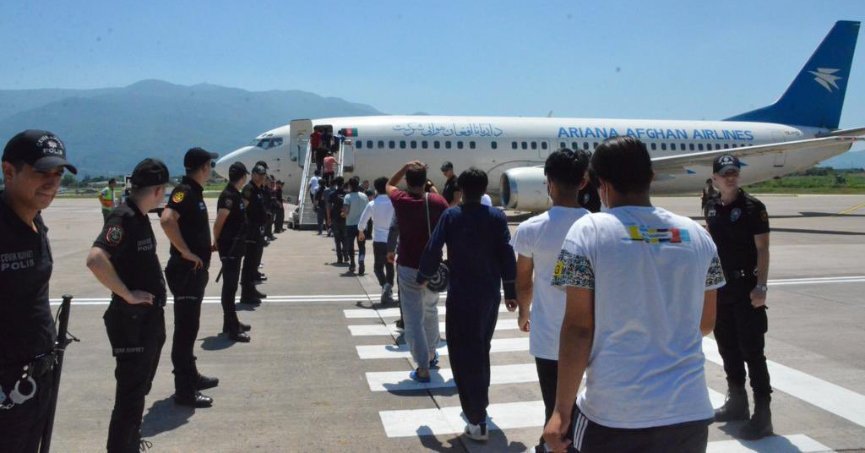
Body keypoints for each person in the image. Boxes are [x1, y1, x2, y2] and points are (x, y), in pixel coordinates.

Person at [544, 137, 723, 453]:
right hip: (688, 412)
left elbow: (578, 328)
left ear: (601, 184)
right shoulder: (697, 235)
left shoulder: (588, 232)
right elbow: (706, 323)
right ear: (651, 177)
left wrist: (561, 410)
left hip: (615, 412)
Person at [418, 167, 517, 442]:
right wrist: (511, 290)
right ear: (484, 189)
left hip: (462, 295)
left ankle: (476, 417)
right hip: (489, 295)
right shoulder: (497, 217)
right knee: (480, 349)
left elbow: (433, 248)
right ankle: (478, 408)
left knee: (462, 354)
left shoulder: (451, 216)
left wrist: (423, 276)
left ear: (460, 189)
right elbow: (506, 254)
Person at [0, 130, 77, 453]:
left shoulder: (35, 222)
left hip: (35, 380)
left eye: (58, 173)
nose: (52, 182)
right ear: (9, 171)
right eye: (42, 172)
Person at [510, 149, 591, 452]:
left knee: (554, 403)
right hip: (592, 332)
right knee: (586, 403)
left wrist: (523, 313)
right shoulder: (597, 226)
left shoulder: (531, 229)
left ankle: (553, 444)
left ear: (549, 183)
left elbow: (523, 281)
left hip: (549, 332)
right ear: (583, 182)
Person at [86, 158, 167, 452]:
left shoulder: (139, 216)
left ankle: (129, 441)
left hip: (146, 321)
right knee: (130, 395)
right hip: (132, 322)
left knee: (137, 391)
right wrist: (127, 294)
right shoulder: (123, 217)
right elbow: (96, 259)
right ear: (157, 190)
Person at [704, 154, 773, 440]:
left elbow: (763, 249)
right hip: (722, 289)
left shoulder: (753, 208)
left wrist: (761, 286)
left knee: (752, 352)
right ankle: (737, 402)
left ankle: (763, 414)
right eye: (725, 173)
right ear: (715, 179)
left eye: (734, 172)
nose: (731, 177)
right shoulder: (710, 207)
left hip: (746, 288)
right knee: (727, 348)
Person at [160, 147, 220, 408]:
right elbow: (167, 220)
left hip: (194, 272)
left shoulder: (194, 192)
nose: (212, 170)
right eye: (210, 165)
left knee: (190, 328)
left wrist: (204, 246)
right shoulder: (184, 192)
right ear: (203, 167)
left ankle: (191, 376)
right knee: (185, 331)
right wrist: (185, 251)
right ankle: (184, 390)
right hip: (185, 272)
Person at [386, 161, 449, 383]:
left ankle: (422, 366)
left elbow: (389, 185)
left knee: (413, 319)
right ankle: (431, 354)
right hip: (432, 268)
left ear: (407, 180)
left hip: (408, 267)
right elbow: (447, 214)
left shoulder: (400, 200)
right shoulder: (437, 201)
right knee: (430, 310)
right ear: (425, 181)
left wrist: (404, 167)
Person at [213, 162, 252, 343]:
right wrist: (217, 243)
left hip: (235, 247)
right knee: (229, 289)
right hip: (230, 248)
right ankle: (232, 329)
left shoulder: (234, 194)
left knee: (231, 287)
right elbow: (219, 222)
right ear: (242, 177)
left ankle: (230, 322)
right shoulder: (228, 196)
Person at [358, 177, 395, 303]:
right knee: (389, 266)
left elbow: (362, 221)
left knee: (378, 267)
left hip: (379, 241)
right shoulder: (394, 203)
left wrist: (361, 231)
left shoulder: (372, 204)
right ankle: (388, 288)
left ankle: (384, 286)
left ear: (376, 189)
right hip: (391, 241)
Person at [239, 164, 268, 304]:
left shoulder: (258, 189)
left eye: (263, 174)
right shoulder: (249, 189)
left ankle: (251, 289)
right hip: (250, 232)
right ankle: (246, 294)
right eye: (259, 174)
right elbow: (242, 209)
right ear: (253, 174)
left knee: (254, 262)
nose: (262, 177)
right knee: (249, 263)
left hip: (257, 231)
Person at [343, 177, 369, 274]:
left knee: (351, 245)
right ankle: (361, 261)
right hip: (362, 225)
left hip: (350, 224)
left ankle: (352, 264)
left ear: (349, 185)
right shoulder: (364, 196)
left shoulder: (347, 197)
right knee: (361, 246)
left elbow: (346, 211)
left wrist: (342, 214)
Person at [327, 176, 348, 264]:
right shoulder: (347, 194)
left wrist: (328, 218)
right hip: (345, 219)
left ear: (336, 184)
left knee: (337, 239)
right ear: (343, 183)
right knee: (345, 238)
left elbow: (328, 207)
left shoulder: (332, 194)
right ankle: (346, 256)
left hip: (335, 218)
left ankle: (339, 258)